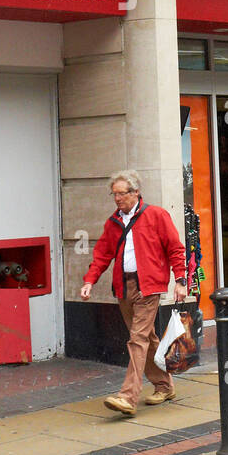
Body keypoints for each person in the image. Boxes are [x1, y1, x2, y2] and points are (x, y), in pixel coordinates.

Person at [80, 171, 188, 416]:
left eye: (122, 193)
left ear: (136, 192)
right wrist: (89, 281)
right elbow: (102, 255)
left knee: (137, 339)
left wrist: (180, 281)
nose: (117, 198)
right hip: (123, 287)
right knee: (147, 338)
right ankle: (164, 385)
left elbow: (175, 249)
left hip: (148, 287)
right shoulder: (113, 222)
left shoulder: (156, 215)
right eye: (114, 194)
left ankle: (128, 397)